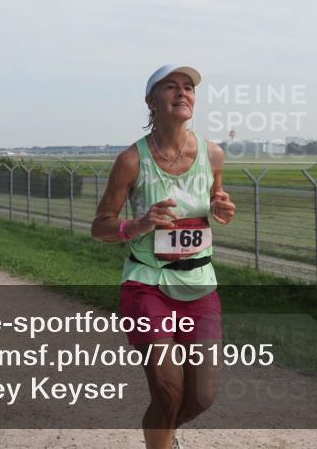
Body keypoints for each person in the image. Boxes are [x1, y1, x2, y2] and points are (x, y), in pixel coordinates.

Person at [92, 65, 235, 449]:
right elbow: (100, 226)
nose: (182, 92)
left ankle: (164, 437)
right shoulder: (131, 160)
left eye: (188, 87)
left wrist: (219, 208)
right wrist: (138, 225)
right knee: (168, 391)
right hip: (147, 285)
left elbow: (215, 202)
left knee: (202, 396)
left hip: (200, 285)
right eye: (171, 86)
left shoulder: (213, 154)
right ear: (151, 101)